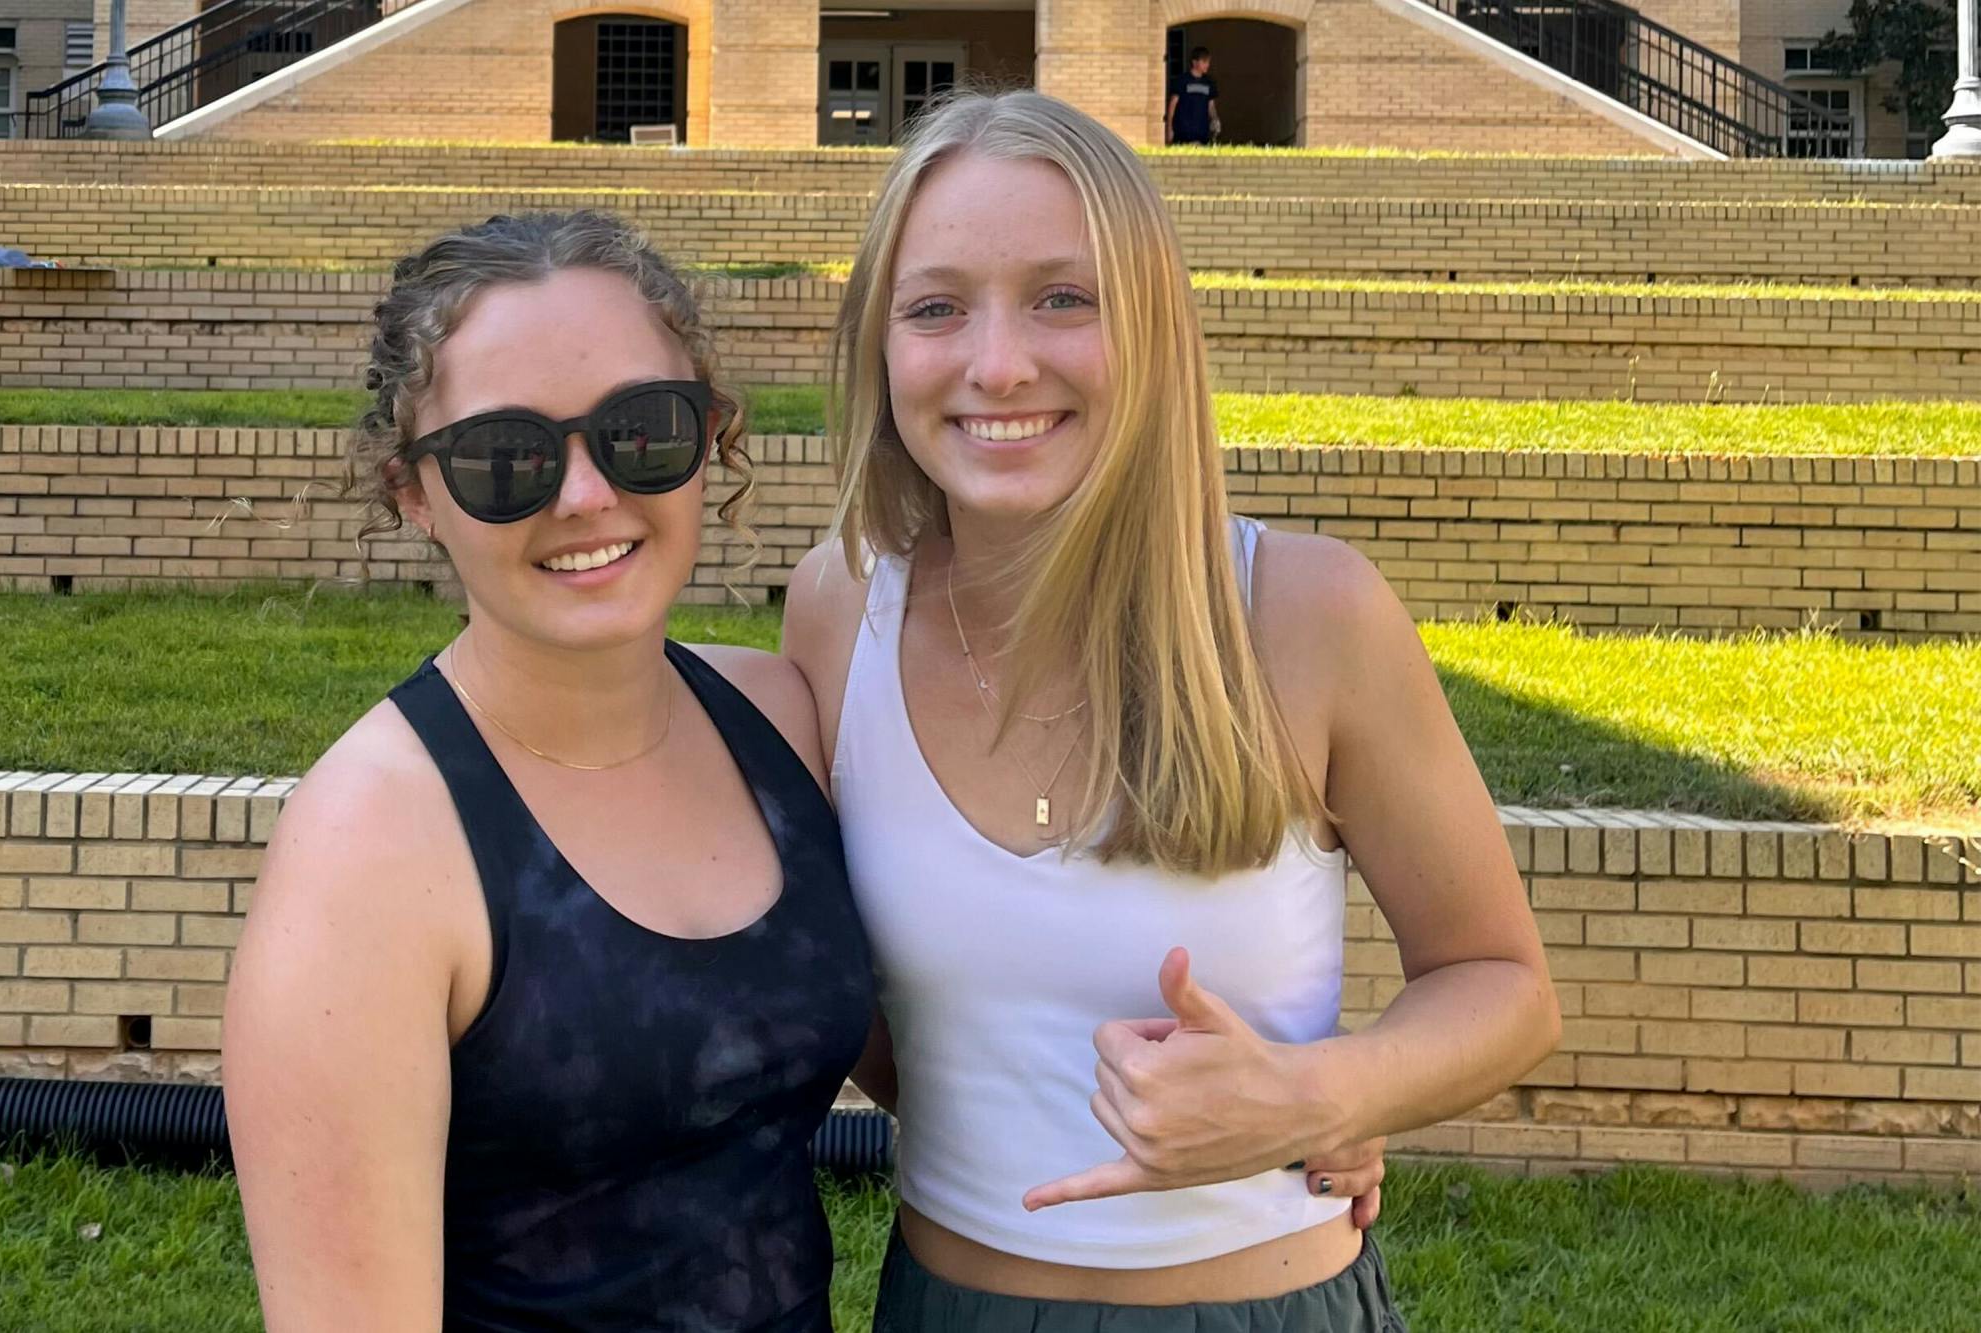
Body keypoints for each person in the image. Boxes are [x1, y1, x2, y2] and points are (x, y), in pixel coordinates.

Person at [783, 89, 1561, 1329]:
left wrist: (1326, 1095)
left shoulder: (1309, 612)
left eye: (1062, 297)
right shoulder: (836, 612)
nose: (997, 363)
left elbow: (1501, 983)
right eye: (935, 307)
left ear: (1150, 326)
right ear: (879, 346)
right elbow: (881, 1022)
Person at [224, 210, 876, 1332]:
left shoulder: (776, 718)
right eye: (505, 456)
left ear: (711, 434)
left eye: (641, 429)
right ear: (414, 493)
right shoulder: (371, 848)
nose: (584, 495)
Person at [1166, 46, 1219, 146]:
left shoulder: (1209, 83)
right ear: (1194, 62)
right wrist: (1169, 129)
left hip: (1202, 136)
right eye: (1204, 62)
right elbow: (1172, 105)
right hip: (1182, 135)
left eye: (1208, 62)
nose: (1207, 65)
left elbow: (1211, 106)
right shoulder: (1181, 81)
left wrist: (1215, 119)